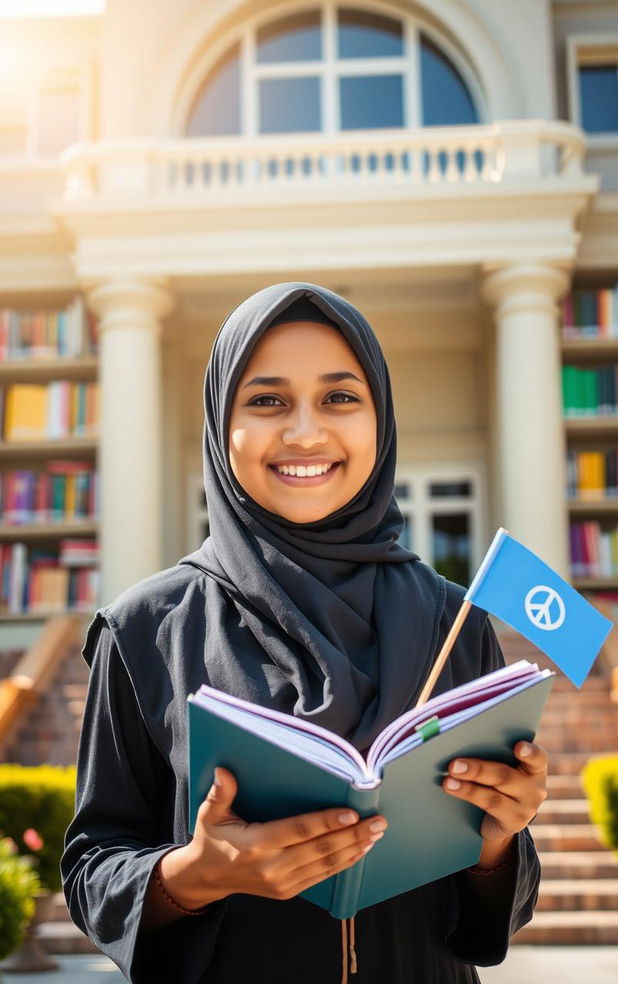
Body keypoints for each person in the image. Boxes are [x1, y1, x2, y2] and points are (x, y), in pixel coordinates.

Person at [62, 282, 548, 984]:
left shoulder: (454, 619)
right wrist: (194, 875)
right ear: (219, 424)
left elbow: (494, 904)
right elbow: (92, 864)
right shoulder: (147, 629)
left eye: (340, 397)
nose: (305, 433)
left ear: (380, 421)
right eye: (266, 401)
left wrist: (500, 841)